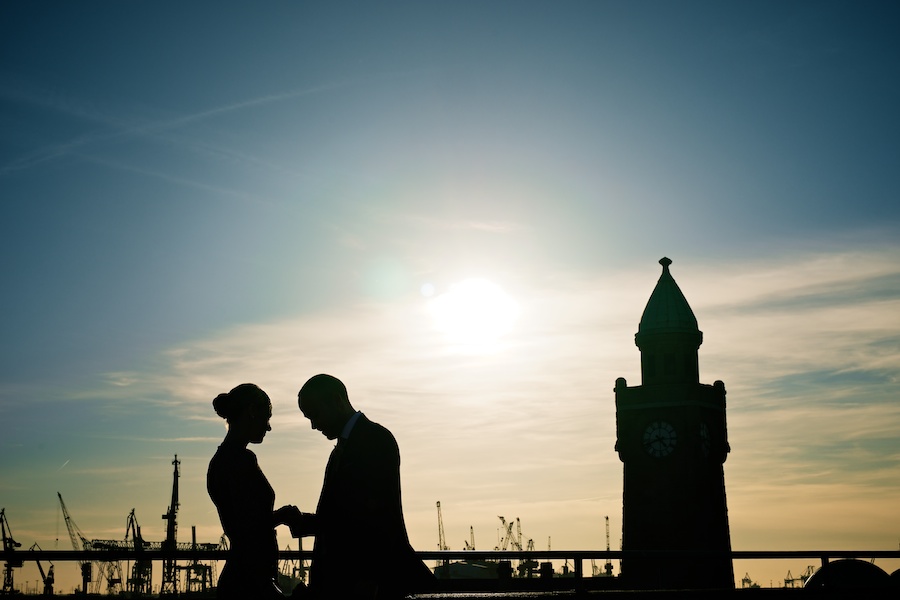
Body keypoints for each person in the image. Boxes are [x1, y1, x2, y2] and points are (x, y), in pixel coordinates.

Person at [288, 374, 435, 600]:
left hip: (363, 582)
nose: (314, 425)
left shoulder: (374, 441)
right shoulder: (354, 445)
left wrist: (371, 577)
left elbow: (380, 515)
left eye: (315, 415)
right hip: (353, 580)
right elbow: (351, 517)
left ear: (337, 401)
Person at [208, 383, 297, 599]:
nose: (268, 427)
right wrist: (283, 515)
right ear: (251, 412)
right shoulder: (239, 461)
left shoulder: (224, 461)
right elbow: (250, 527)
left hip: (248, 577)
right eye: (267, 418)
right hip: (250, 581)